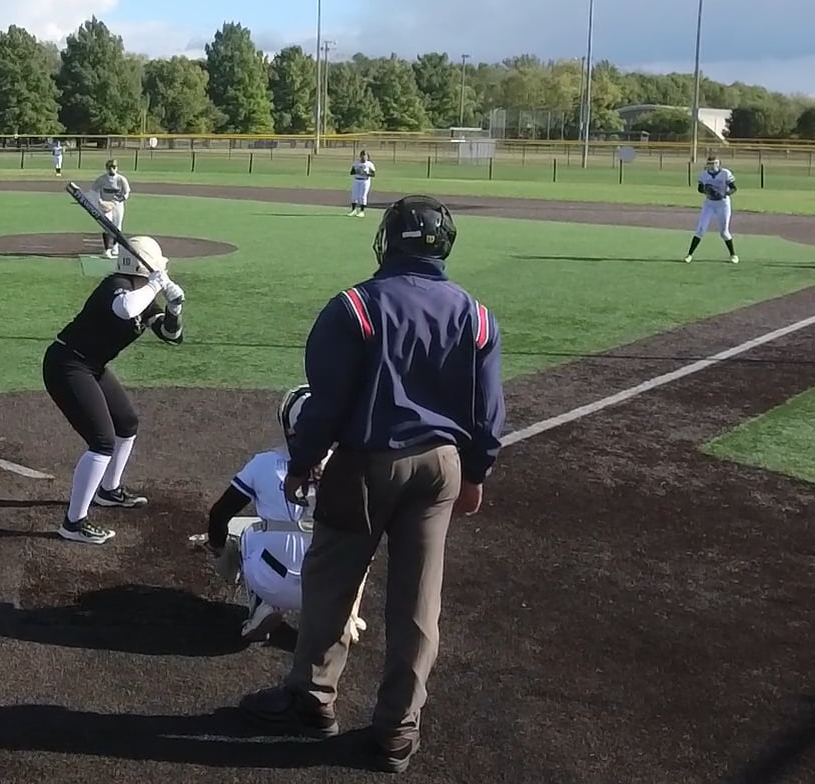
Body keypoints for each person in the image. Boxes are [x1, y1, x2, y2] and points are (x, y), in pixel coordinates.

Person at [238, 193, 505, 776]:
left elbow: (325, 404)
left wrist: (304, 462)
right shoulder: (477, 315)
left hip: (364, 463)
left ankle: (312, 700)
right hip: (440, 467)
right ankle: (397, 731)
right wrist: (476, 473)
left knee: (331, 582)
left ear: (387, 241)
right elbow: (488, 414)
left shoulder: (354, 307)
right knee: (419, 600)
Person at [195, 384, 368, 644]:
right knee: (359, 545)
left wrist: (219, 548)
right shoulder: (343, 465)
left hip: (270, 582)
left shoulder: (263, 463)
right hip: (326, 587)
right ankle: (346, 614)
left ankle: (263, 606)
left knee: (247, 533)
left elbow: (219, 514)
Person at [43, 235, 184, 545]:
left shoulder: (143, 295)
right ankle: (73, 523)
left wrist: (174, 309)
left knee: (127, 423)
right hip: (67, 364)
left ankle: (109, 490)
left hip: (93, 366)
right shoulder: (116, 286)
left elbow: (170, 335)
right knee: (102, 441)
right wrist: (156, 285)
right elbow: (124, 309)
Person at [685, 154, 739, 263]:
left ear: (719, 164)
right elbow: (700, 188)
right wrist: (707, 190)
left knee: (724, 232)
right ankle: (689, 255)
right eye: (710, 164)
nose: (713, 166)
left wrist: (724, 193)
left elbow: (734, 188)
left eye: (715, 163)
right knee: (700, 229)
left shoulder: (725, 173)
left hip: (723, 203)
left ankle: (733, 255)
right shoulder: (704, 175)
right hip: (709, 203)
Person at [92, 158, 131, 258]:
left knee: (117, 226)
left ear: (117, 168)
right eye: (110, 167)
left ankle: (115, 247)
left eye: (114, 167)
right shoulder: (102, 179)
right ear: (106, 168)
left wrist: (115, 203)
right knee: (107, 225)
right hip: (105, 206)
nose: (112, 169)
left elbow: (126, 194)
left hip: (117, 206)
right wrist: (100, 202)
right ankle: (107, 249)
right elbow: (93, 191)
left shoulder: (121, 179)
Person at [348, 150, 376, 216]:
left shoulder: (369, 164)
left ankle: (362, 211)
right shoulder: (356, 163)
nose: (364, 157)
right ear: (360, 156)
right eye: (362, 155)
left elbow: (373, 174)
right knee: (354, 195)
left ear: (367, 157)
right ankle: (354, 210)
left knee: (363, 196)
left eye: (365, 156)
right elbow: (351, 172)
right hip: (356, 180)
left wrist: (366, 173)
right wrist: (357, 171)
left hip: (365, 181)